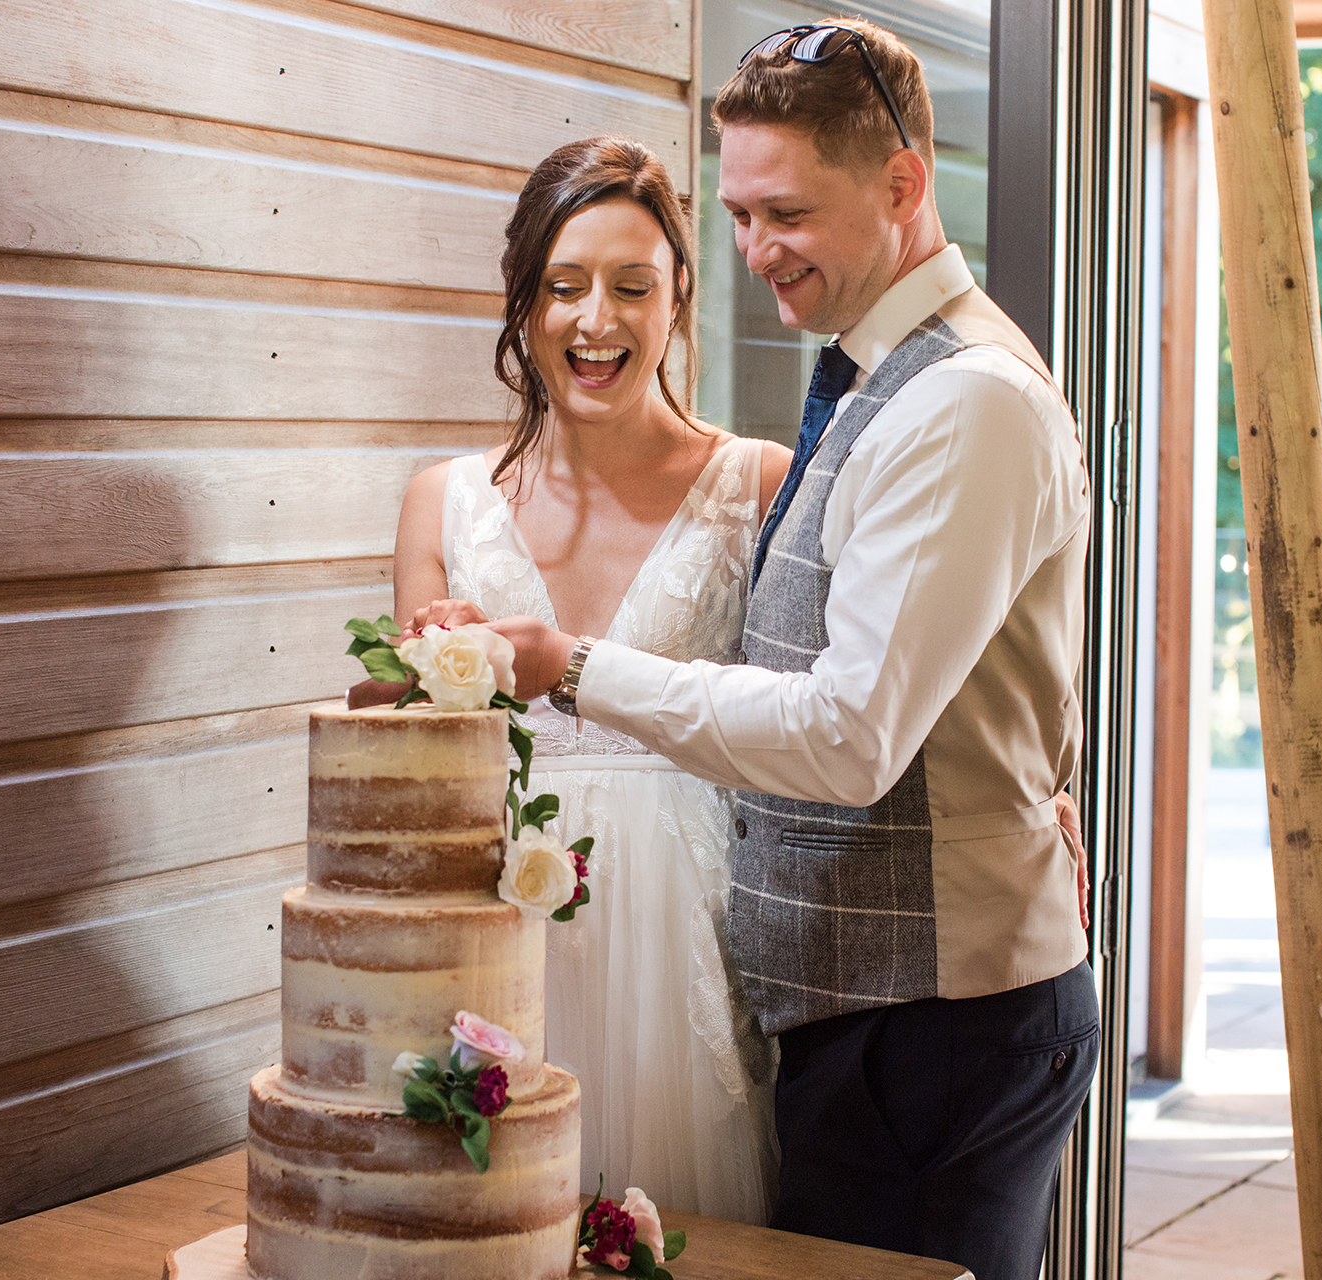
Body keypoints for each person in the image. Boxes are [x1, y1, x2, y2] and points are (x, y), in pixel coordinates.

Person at [485, 20, 1099, 1279]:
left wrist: (579, 665)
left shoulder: (966, 400)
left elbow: (849, 733)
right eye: (744, 215)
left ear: (902, 185)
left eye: (789, 213)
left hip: (932, 1031)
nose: (760, 250)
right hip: (870, 1019)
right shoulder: (878, 379)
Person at [359, 136, 790, 1223]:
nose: (596, 320)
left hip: (693, 938)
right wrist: (409, 687)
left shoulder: (758, 484)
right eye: (563, 287)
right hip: (502, 935)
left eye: (631, 286)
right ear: (523, 304)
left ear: (678, 298)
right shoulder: (442, 500)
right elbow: (404, 758)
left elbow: (819, 716)